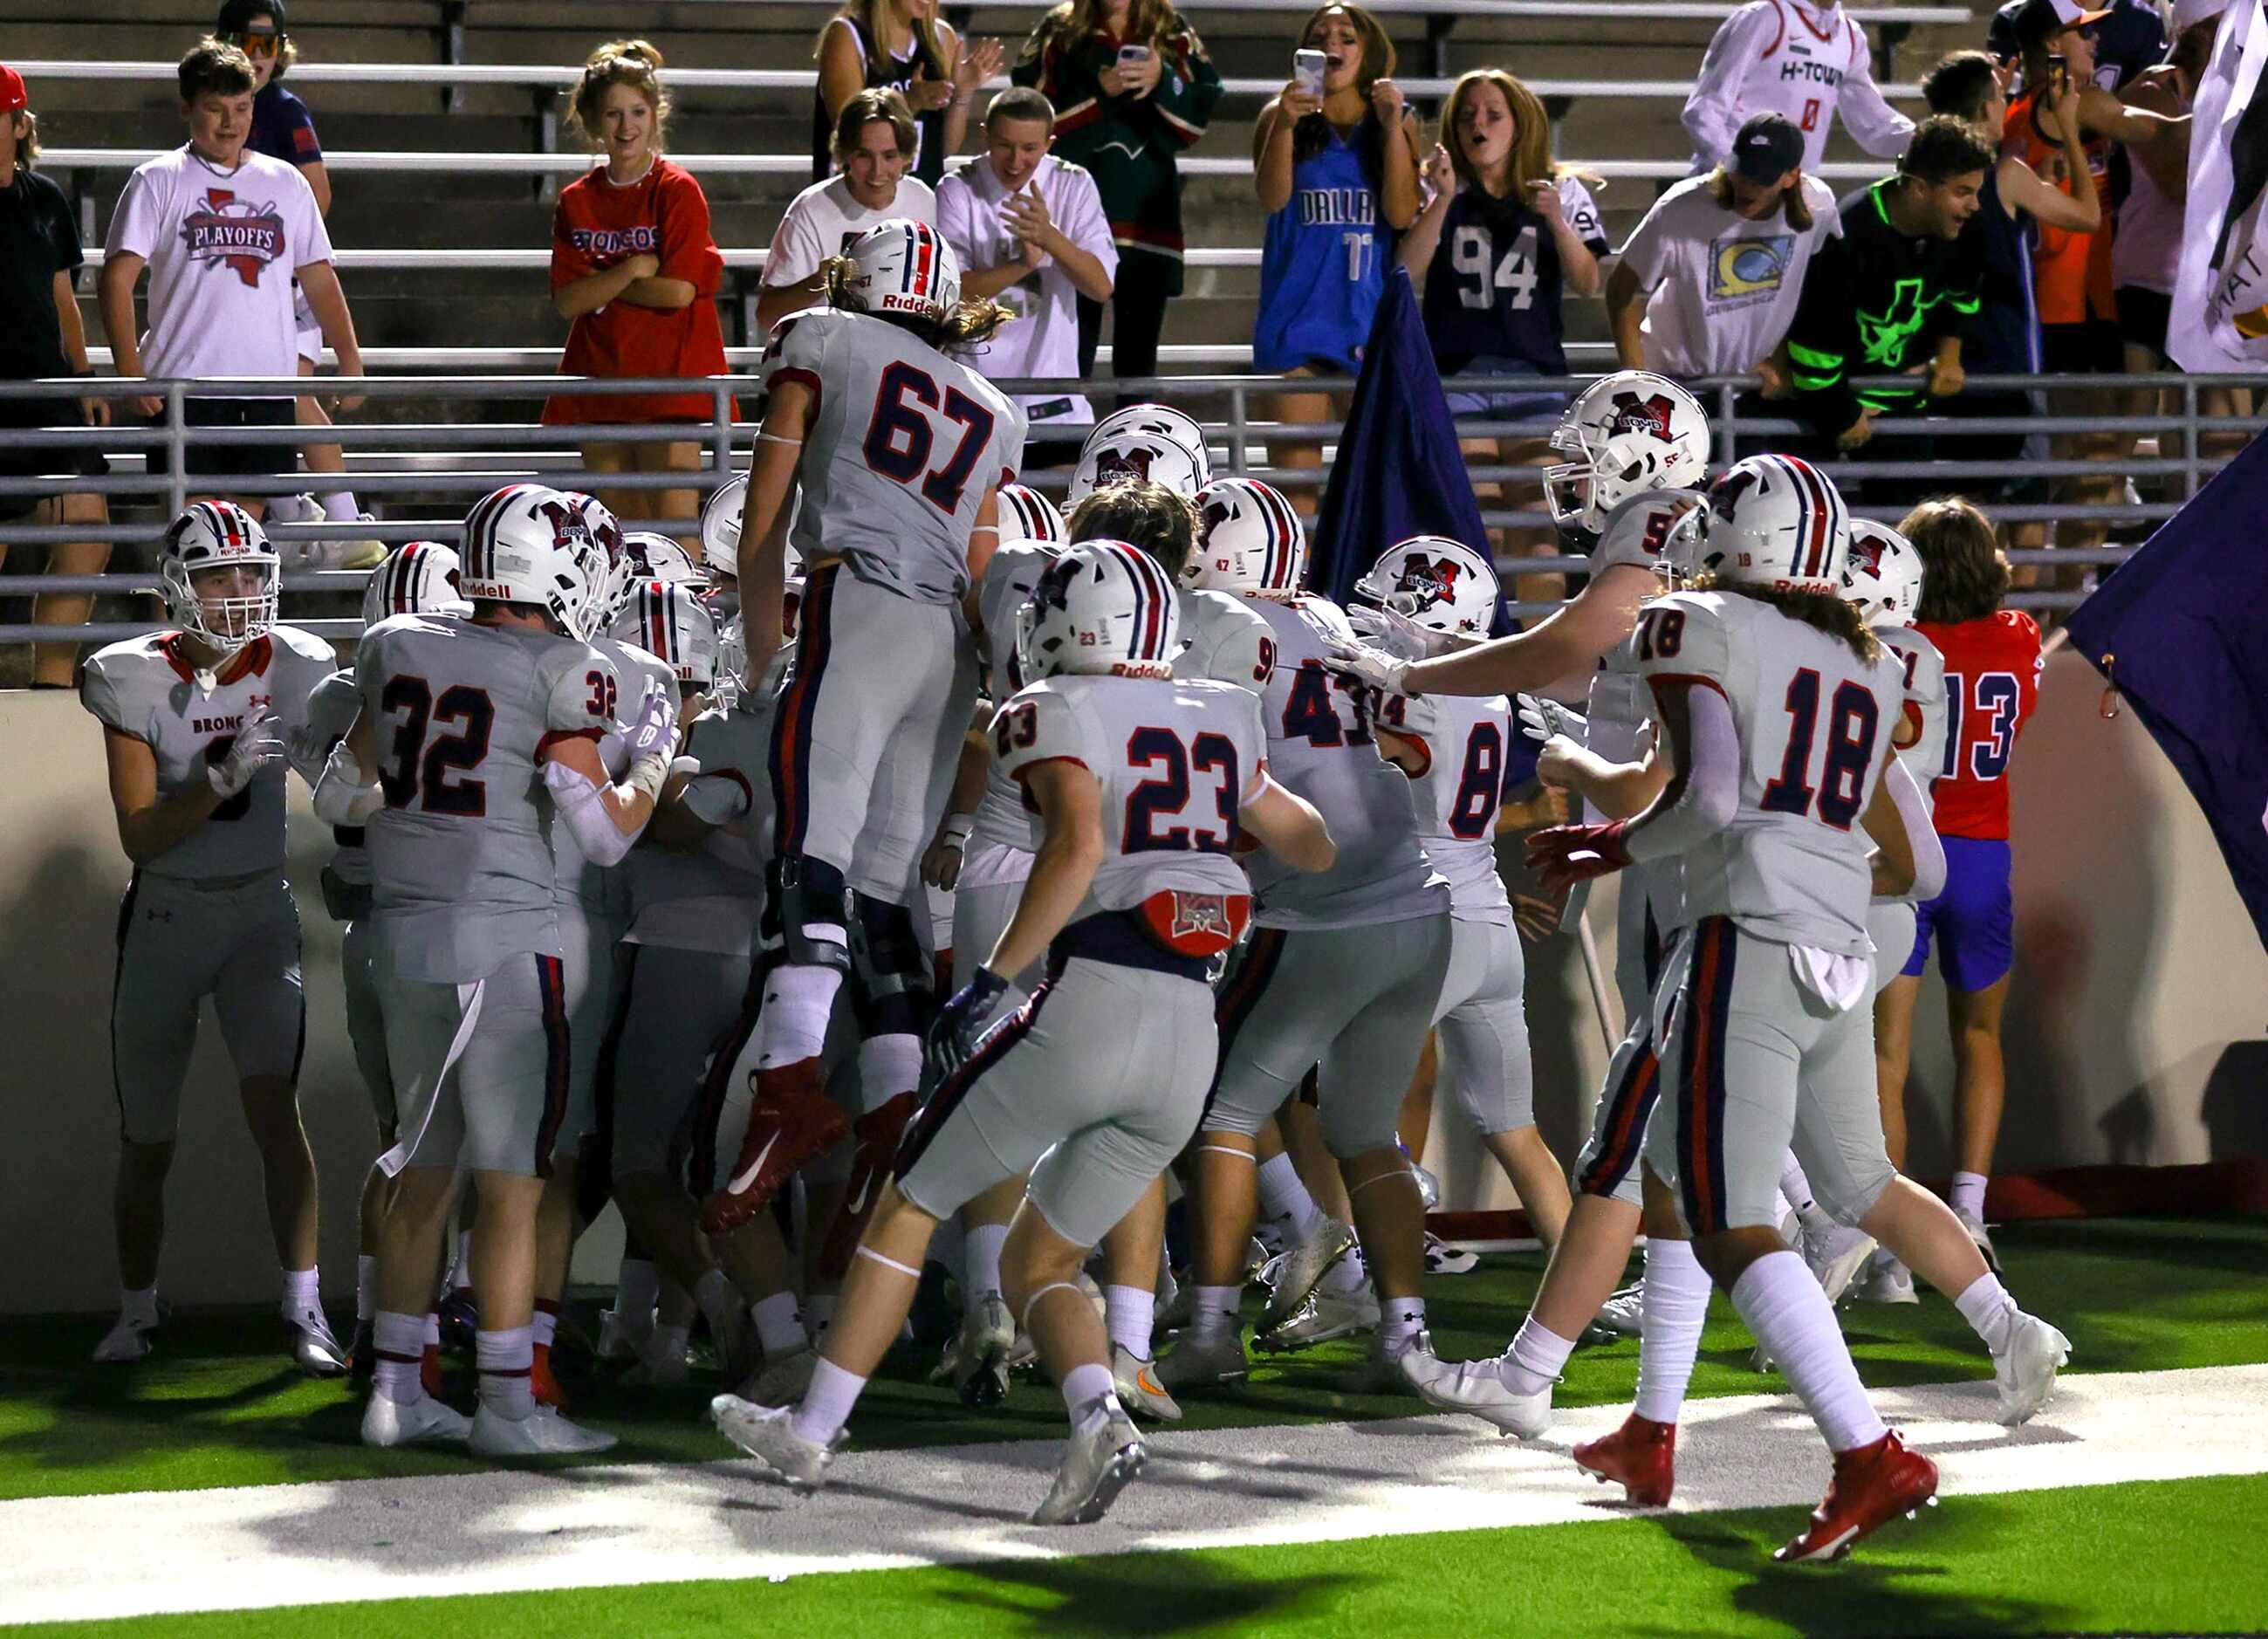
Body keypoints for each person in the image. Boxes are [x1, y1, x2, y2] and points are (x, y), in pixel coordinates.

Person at [712, 538, 1333, 1525]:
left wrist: (996, 977)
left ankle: (813, 1432)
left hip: (1093, 997)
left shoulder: (1050, 708)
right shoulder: (1223, 711)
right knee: (1038, 1261)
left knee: (909, 1204)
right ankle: (1096, 1422)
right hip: (1189, 1029)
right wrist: (1204, 834)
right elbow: (1311, 838)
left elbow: (1080, 844)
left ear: (1062, 623)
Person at [1504, 464, 2061, 1543]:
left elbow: (1706, 796)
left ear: (1736, 539)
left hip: (1746, 939)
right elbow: (1904, 857)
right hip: (1838, 940)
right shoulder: (1865, 656)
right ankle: (1648, 1429)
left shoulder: (1693, 623)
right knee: (1811, 1176)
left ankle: (1869, 1455)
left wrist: (1606, 841)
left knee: (1727, 1219)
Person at [324, 483, 669, 1456]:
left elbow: (342, 796)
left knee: (421, 1170)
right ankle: (510, 1406)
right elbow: (602, 838)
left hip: (403, 940)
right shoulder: (573, 670)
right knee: (515, 1182)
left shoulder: (396, 642)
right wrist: (649, 764)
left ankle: (396, 1392)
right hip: (509, 943)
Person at [702, 222, 1025, 1245]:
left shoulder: (825, 336)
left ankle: (789, 1082)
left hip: (864, 607)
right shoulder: (994, 407)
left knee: (810, 857)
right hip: (950, 648)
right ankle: (892, 1110)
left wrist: (760, 649)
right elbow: (982, 568)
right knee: (883, 899)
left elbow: (764, 512)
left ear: (859, 283)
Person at [1161, 476, 1453, 1399]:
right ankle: (1404, 1339)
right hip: (1417, 902)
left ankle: (1210, 1330)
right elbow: (1412, 750)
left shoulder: (1213, 621)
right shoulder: (1328, 621)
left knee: (1218, 1115)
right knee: (1367, 1133)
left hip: (1318, 912)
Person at [79, 502, 342, 1374]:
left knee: (276, 1111)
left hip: (260, 910)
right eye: (217, 576)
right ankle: (135, 1308)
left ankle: (303, 1307)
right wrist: (220, 781)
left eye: (250, 575)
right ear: (177, 588)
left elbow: (340, 788)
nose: (237, 594)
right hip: (167, 913)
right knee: (146, 1137)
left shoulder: (299, 663)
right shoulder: (129, 675)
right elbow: (142, 837)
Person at [1359, 536, 1573, 1252]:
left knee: (1340, 1106)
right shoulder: (1489, 695)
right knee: (1517, 1131)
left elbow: (1363, 783)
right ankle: (1586, 1285)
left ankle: (1368, 1267)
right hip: (1488, 917)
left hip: (1427, 921)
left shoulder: (1413, 703)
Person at [299, 539, 470, 1369]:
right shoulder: (461, 678)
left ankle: (383, 1320)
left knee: (402, 1134)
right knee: (451, 1139)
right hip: (439, 929)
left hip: (376, 928)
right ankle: (439, 1314)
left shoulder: (339, 695)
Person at [1870, 497, 2042, 1288]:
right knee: (1978, 1035)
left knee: (1885, 1052)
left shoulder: (1891, 647)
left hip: (1904, 853)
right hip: (1981, 855)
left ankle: (1891, 1242)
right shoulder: (2018, 637)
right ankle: (1968, 1210)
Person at [99, 38, 365, 521]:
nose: (230, 122)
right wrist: (129, 369)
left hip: (266, 389)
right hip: (186, 388)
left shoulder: (286, 182)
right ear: (187, 108)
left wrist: (350, 358)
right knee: (189, 538)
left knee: (243, 546)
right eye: (215, 108)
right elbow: (117, 278)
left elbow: (319, 277)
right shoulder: (156, 179)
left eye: (241, 107)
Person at [1399, 68, 1605, 587]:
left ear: (1521, 125)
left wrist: (1556, 221)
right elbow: (1405, 269)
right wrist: (1442, 201)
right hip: (1457, 375)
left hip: (1531, 377)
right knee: (1478, 526)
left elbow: (1588, 280)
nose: (1480, 125)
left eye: (1493, 114)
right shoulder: (1438, 187)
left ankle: (1536, 654)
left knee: (1537, 523)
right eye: (1468, 115)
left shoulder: (1560, 191)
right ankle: (1481, 650)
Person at [542, 42, 730, 548]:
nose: (626, 127)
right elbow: (568, 301)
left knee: (675, 533)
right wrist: (629, 270)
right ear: (591, 121)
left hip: (673, 379)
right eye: (613, 114)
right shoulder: (576, 199)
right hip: (603, 376)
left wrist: (603, 287)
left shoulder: (677, 189)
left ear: (655, 113)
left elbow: (678, 292)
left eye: (637, 113)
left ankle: (688, 628)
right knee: (617, 536)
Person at [216, 0, 380, 568]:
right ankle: (298, 512)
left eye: (266, 44)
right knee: (266, 399)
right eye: (245, 41)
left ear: (281, 50)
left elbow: (318, 195)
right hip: (242, 281)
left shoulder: (284, 109)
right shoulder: (225, 112)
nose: (255, 56)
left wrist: (272, 254)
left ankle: (340, 518)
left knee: (290, 395)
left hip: (277, 280)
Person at [1918, 50, 2100, 542]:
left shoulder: (1917, 181)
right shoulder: (2005, 175)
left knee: (1956, 533)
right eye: (1999, 98)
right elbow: (2088, 215)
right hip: (2009, 379)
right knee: (2023, 535)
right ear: (1981, 112)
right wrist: (2069, 127)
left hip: (1943, 381)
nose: (2006, 106)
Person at [1250, 3, 1421, 514]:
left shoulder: (1398, 121)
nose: (1333, 44)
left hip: (1367, 319)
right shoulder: (1278, 114)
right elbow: (1272, 198)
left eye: (1347, 36)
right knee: (1297, 493)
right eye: (1321, 35)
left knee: (1367, 495)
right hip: (1297, 322)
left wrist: (1392, 127)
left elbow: (1400, 212)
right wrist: (1284, 124)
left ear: (1368, 51)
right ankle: (1295, 597)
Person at [1011, 0, 1223, 401]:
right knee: (1067, 362)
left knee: (1138, 370)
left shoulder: (1172, 31)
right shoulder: (1059, 30)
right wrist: (1098, 96)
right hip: (1070, 224)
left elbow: (1195, 122)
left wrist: (1163, 79)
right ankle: (1062, 459)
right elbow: (1027, 122)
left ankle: (1136, 458)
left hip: (1147, 220)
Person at [1783, 116, 1990, 492]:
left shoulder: (1967, 230)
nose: (1975, 205)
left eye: (1977, 191)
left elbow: (1961, 300)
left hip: (1905, 412)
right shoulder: (1848, 231)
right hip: (1826, 408)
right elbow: (1812, 336)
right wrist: (1841, 412)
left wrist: (1950, 355)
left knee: (1907, 538)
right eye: (1963, 191)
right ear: (1919, 189)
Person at [0, 63, 111, 689]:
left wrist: (84, 375)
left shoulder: (44, 199)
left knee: (87, 536)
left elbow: (64, 299)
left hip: (46, 392)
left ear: (20, 123)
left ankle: (51, 685)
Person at [937, 86, 1118, 462]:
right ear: (984, 134)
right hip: (972, 400)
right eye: (1005, 146)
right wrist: (1020, 265)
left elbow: (1101, 287)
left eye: (1031, 149)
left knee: (1058, 514)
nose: (1017, 161)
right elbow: (950, 292)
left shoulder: (1074, 184)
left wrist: (1048, 236)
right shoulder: (956, 188)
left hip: (1055, 405)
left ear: (1050, 142)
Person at [1607, 112, 1838, 391]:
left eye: (1761, 178)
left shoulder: (1819, 205)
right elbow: (1621, 289)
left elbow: (1815, 286)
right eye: (1743, 170)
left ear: (1791, 178)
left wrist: (1782, 358)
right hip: (1674, 377)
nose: (1747, 184)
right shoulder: (1681, 208)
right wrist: (1635, 380)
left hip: (1751, 381)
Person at [760, 89, 937, 336]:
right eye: (864, 155)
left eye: (889, 156)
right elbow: (767, 315)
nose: (877, 172)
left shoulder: (923, 201)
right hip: (827, 356)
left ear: (907, 157)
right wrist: (818, 281)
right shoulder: (811, 209)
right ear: (844, 154)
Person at [1682, 0, 1913, 176]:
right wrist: (1739, 172)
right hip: (1731, 191)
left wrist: (1926, 139)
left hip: (1790, 196)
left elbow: (1873, 123)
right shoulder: (1765, 17)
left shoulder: (1850, 36)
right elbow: (1704, 110)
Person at [812, 1, 999, 192]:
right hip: (856, 200)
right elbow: (849, 133)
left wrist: (963, 92)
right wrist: (909, 102)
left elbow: (944, 147)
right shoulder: (847, 34)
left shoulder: (941, 37)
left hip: (919, 195)